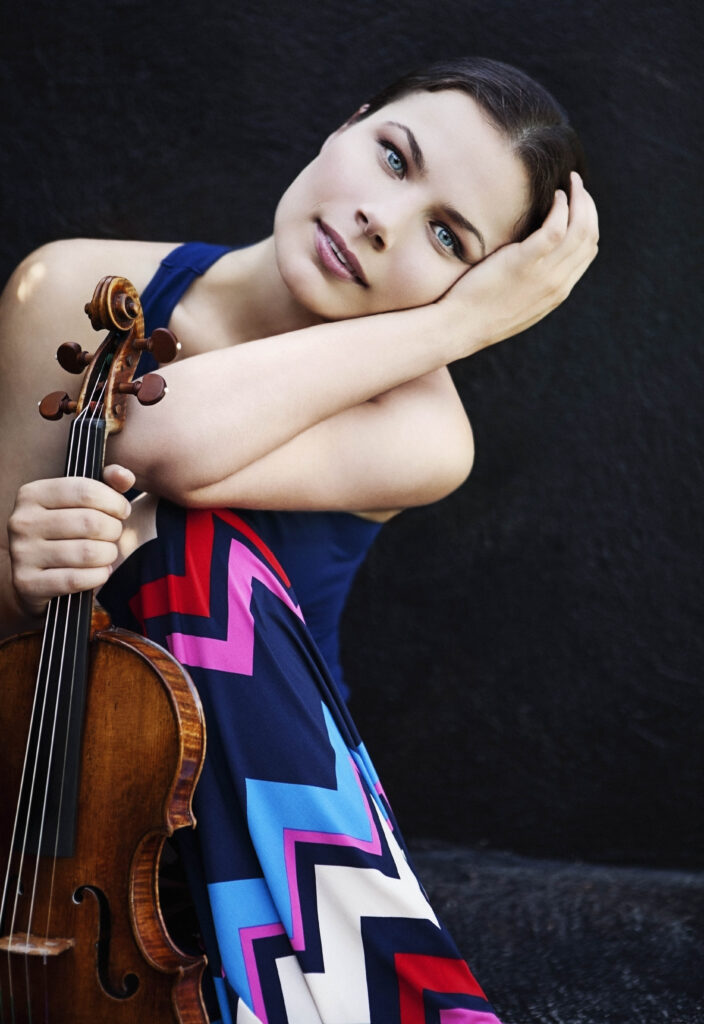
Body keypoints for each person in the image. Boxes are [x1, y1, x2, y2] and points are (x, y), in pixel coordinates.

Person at [1, 58, 598, 1022]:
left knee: (196, 544)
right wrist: (23, 580)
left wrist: (463, 328)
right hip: (42, 809)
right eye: (393, 159)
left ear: (477, 291)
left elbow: (158, 438)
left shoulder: (429, 435)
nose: (380, 220)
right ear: (345, 124)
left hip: (247, 832)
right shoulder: (66, 284)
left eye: (447, 238)